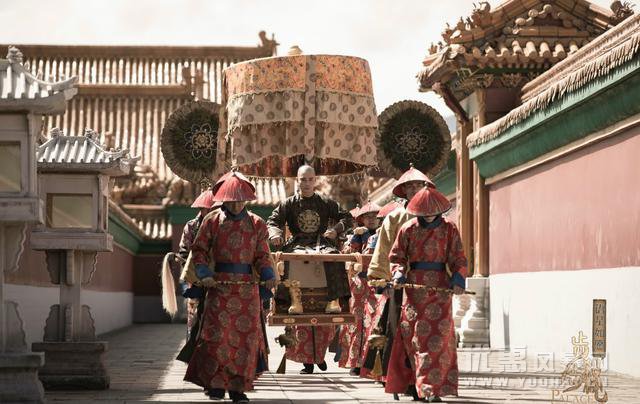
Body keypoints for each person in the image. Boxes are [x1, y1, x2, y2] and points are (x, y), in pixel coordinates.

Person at [184, 172, 277, 404]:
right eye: (231, 199)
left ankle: (238, 388)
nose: (236, 204)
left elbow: (263, 254)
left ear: (247, 199)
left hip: (248, 291)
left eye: (240, 199)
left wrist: (268, 274)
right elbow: (199, 251)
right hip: (218, 287)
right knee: (216, 338)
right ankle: (215, 385)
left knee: (245, 340)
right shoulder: (211, 221)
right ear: (223, 199)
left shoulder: (257, 223)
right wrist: (204, 274)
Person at [267, 164, 353, 374]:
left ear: (315, 180)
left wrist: (334, 229)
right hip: (296, 244)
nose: (306, 183)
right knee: (288, 259)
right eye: (302, 179)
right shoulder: (288, 203)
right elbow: (272, 221)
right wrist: (276, 233)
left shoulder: (325, 202)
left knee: (333, 256)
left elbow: (347, 218)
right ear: (297, 180)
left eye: (310, 179)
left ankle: (333, 300)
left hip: (320, 244)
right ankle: (286, 301)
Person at [385, 187, 467, 402]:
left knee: (438, 340)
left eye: (433, 210)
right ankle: (421, 387)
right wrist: (399, 273)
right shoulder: (407, 229)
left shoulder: (450, 229)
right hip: (414, 291)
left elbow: (458, 257)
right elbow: (397, 258)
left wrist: (458, 278)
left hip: (441, 291)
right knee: (417, 339)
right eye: (425, 211)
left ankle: (430, 387)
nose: (429, 214)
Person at [365, 165, 435, 389]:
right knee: (399, 330)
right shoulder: (395, 217)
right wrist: (382, 278)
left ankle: (425, 377)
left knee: (427, 331)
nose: (414, 189)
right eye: (410, 186)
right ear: (404, 190)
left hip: (429, 283)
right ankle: (401, 378)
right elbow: (384, 249)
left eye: (418, 185)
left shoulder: (435, 216)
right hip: (399, 280)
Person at [338, 201, 381, 376]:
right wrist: (354, 239)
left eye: (374, 216)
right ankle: (355, 362)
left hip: (375, 282)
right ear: (361, 219)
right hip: (357, 284)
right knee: (355, 322)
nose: (371, 220)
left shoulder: (384, 234)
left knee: (373, 322)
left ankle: (370, 362)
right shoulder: (355, 236)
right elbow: (347, 256)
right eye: (367, 217)